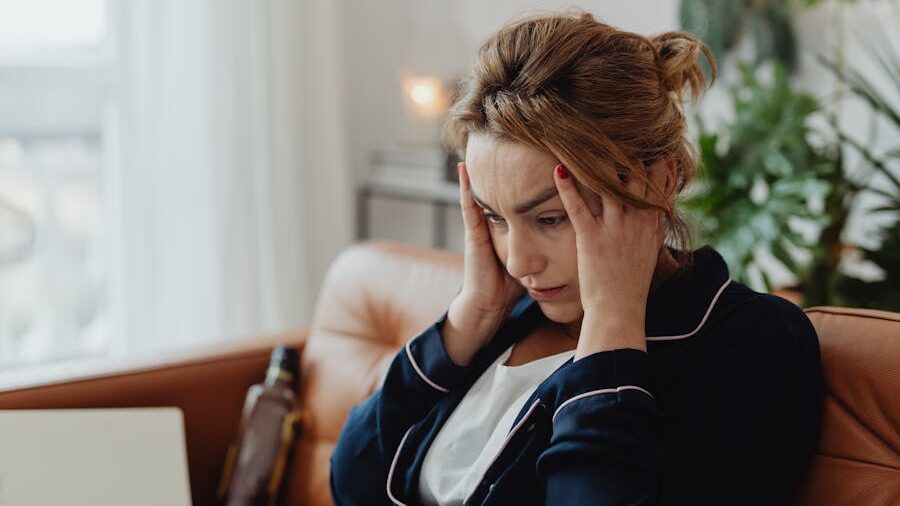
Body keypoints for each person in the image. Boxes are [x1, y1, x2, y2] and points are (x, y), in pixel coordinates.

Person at [330, 10, 824, 506]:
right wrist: (468, 318)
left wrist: (613, 326)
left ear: (659, 182)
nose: (519, 262)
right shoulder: (507, 317)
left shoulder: (752, 345)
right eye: (495, 217)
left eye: (549, 219)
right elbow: (351, 481)